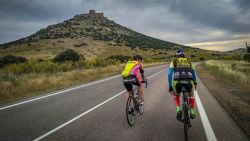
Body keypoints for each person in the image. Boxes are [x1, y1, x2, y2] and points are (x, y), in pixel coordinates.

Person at [168, 50, 197, 121]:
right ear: (184, 56)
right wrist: (195, 82)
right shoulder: (189, 62)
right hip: (189, 82)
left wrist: (170, 85)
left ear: (176, 56)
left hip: (177, 83)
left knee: (176, 95)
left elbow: (169, 74)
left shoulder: (174, 61)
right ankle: (192, 111)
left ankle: (178, 109)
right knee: (191, 95)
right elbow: (193, 73)